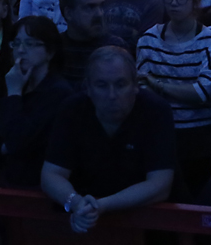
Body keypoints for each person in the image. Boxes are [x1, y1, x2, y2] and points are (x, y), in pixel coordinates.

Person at [41, 46, 175, 234]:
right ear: (87, 87)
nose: (112, 95)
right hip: (85, 221)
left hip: (148, 225)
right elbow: (51, 175)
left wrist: (101, 205)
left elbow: (160, 185)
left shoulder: (156, 111)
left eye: (120, 85)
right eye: (102, 85)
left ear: (136, 85)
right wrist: (76, 202)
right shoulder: (71, 109)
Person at [137, 0, 211, 196]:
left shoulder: (210, 41)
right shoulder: (148, 40)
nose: (173, 3)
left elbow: (202, 92)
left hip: (199, 136)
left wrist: (159, 85)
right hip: (161, 132)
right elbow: (143, 93)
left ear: (196, 2)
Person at [0, 15, 74, 187]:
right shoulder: (11, 81)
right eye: (16, 43)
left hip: (37, 187)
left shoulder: (58, 94)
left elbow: (16, 143)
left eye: (30, 44)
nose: (21, 50)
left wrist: (14, 93)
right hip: (7, 183)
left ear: (50, 52)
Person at [57, 0, 127, 87]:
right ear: (69, 13)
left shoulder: (116, 49)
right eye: (90, 7)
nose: (99, 14)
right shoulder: (55, 48)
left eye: (101, 6)